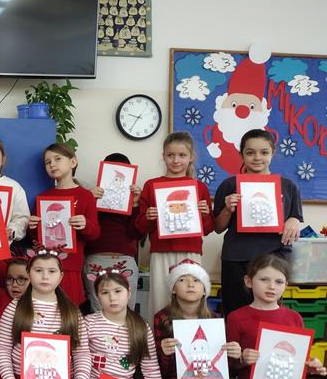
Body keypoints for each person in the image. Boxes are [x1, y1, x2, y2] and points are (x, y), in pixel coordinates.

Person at [226, 254, 325, 379]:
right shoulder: (237, 317)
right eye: (264, 279)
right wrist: (242, 359)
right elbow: (229, 366)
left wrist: (312, 366)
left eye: (279, 282)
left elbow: (298, 362)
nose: (271, 287)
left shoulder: (294, 318)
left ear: (286, 285)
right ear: (248, 281)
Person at [0, 248, 91, 379]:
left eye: (51, 271)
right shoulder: (15, 307)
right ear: (29, 273)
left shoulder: (72, 311)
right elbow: (2, 348)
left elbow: (82, 353)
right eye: (38, 270)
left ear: (61, 276)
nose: (45, 276)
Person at [214, 129, 303, 316]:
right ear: (241, 154)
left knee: (270, 314)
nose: (257, 158)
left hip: (274, 257)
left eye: (264, 152)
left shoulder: (288, 186)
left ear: (273, 153)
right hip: (236, 259)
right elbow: (218, 227)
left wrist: (294, 220)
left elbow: (295, 218)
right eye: (250, 152)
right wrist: (227, 209)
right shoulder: (229, 185)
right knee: (235, 314)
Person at [154, 260, 242, 379]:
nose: (190, 284)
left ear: (204, 290)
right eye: (182, 280)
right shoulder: (162, 318)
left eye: (196, 280)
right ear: (173, 289)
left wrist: (234, 356)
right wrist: (163, 352)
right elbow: (157, 369)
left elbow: (226, 369)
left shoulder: (215, 320)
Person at [135, 132, 214, 315]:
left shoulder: (199, 187)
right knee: (160, 299)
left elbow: (208, 229)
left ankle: (190, 333)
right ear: (163, 156)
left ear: (191, 157)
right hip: (161, 252)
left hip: (191, 251)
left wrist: (204, 215)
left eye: (182, 155)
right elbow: (140, 227)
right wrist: (149, 217)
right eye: (170, 155)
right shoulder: (151, 185)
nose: (176, 160)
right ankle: (159, 334)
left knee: (191, 301)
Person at [85, 268, 164, 379]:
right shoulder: (89, 323)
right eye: (105, 293)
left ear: (129, 293)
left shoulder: (141, 327)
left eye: (117, 291)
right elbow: (77, 359)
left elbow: (151, 369)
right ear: (97, 296)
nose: (112, 298)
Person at [28, 143, 100, 305]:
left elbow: (95, 233)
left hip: (71, 266)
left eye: (57, 159)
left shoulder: (85, 196)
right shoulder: (43, 197)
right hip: (45, 267)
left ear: (72, 162)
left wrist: (85, 224)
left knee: (70, 310)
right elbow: (36, 237)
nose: (52, 164)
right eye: (48, 162)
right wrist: (32, 227)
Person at [85, 152, 143, 311]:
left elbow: (136, 233)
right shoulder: (92, 196)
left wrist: (136, 204)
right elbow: (84, 228)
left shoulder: (133, 200)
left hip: (125, 258)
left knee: (126, 311)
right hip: (96, 258)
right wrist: (88, 200)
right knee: (98, 310)